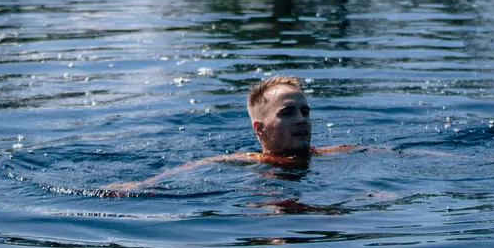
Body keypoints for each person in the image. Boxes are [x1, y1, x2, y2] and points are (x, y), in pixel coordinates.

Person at [104, 75, 357, 193]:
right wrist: (141, 185)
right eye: (287, 112)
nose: (301, 119)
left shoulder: (328, 155)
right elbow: (192, 167)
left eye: (305, 111)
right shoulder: (249, 161)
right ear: (259, 128)